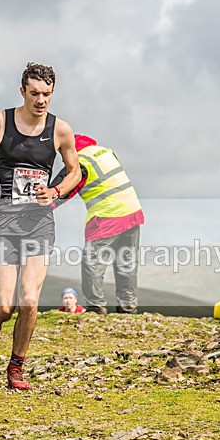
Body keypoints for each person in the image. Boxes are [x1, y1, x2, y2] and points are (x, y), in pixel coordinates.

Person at [0, 62, 81, 390]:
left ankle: (16, 369)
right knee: (5, 306)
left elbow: (75, 172)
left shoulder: (60, 130)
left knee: (29, 299)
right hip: (3, 222)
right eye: (35, 94)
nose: (41, 101)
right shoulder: (0, 121)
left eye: (47, 94)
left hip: (39, 223)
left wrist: (55, 191)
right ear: (22, 92)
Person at [56, 135, 144, 314]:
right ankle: (128, 309)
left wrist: (37, 207)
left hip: (107, 215)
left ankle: (96, 307)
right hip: (132, 211)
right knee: (125, 262)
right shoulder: (105, 152)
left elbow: (60, 190)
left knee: (92, 262)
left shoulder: (79, 161)